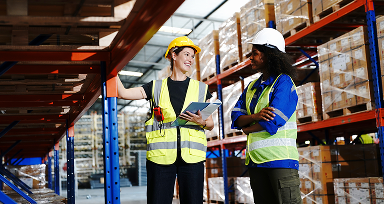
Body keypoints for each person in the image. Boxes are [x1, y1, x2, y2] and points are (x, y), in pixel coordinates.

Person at [117, 36, 214, 204]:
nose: (190, 59)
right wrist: (113, 70)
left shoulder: (200, 88)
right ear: (173, 55)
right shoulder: (155, 87)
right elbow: (123, 93)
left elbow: (211, 124)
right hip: (160, 158)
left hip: (192, 158)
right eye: (186, 54)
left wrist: (202, 121)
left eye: (192, 56)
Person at [231, 28, 302, 204]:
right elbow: (236, 117)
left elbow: (273, 121)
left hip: (280, 162)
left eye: (255, 53)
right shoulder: (252, 87)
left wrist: (247, 128)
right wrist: (255, 117)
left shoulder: (284, 82)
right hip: (256, 163)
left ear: (269, 55)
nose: (251, 57)